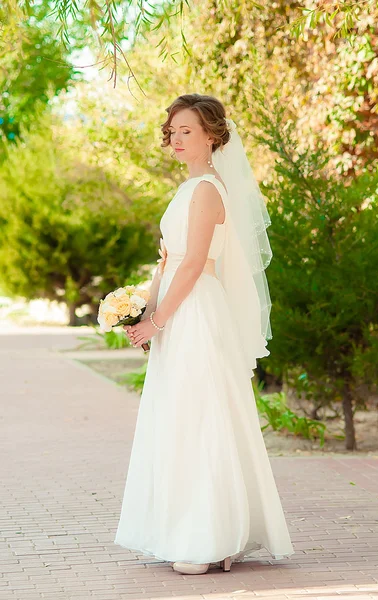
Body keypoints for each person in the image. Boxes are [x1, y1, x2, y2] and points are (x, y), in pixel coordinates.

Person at [114, 94, 294, 575]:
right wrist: (141, 311)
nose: (175, 138)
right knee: (181, 415)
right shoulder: (187, 189)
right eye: (172, 131)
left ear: (212, 135)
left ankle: (211, 538)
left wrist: (159, 319)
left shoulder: (208, 189)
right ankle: (198, 532)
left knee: (202, 415)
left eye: (186, 130)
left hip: (195, 311)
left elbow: (194, 263)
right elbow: (168, 259)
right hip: (178, 309)